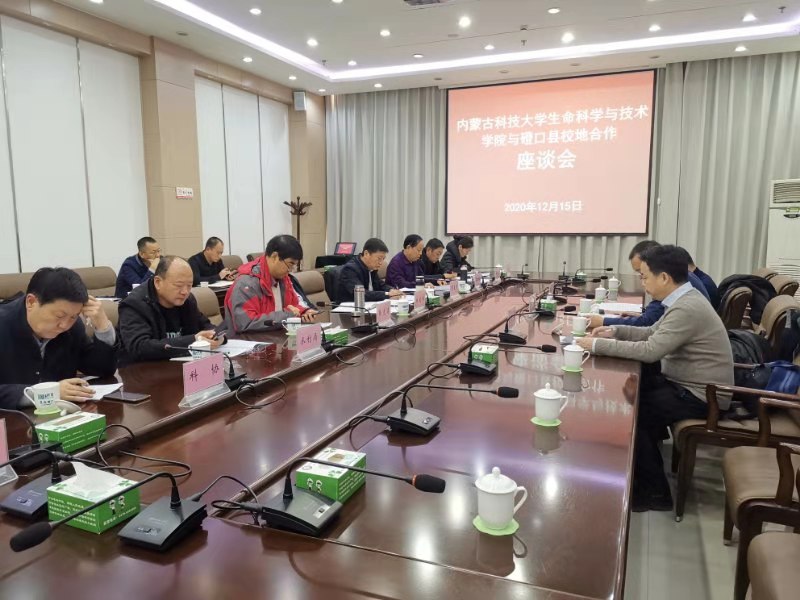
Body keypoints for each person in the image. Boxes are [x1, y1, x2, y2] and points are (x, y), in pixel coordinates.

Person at [576, 245, 733, 512]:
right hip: (690, 385)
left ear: (664, 278)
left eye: (645, 277)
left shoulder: (687, 307)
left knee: (634, 412)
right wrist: (614, 332)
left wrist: (596, 346)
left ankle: (655, 493)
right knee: (637, 399)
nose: (643, 283)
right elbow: (651, 331)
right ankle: (645, 473)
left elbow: (650, 351)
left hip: (703, 395)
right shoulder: (684, 299)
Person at [0, 267, 117, 408]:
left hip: (62, 415)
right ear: (31, 302)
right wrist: (47, 393)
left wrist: (103, 325)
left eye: (74, 316)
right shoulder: (4, 323)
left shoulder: (72, 327)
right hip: (13, 418)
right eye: (59, 316)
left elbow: (102, 369)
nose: (65, 325)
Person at [118, 256, 221, 364]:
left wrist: (217, 336)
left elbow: (206, 326)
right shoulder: (134, 304)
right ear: (158, 282)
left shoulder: (187, 300)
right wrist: (193, 341)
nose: (185, 292)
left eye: (189, 285)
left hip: (181, 366)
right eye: (179, 285)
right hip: (143, 369)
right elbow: (140, 347)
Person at [588, 241, 710, 329]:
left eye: (643, 274)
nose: (642, 281)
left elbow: (648, 324)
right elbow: (655, 318)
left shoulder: (675, 283)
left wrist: (603, 321)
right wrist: (642, 314)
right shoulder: (681, 276)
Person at [224, 235, 318, 332]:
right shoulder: (246, 284)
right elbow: (245, 323)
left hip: (277, 336)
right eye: (290, 264)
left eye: (295, 265)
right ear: (274, 257)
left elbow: (293, 307)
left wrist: (303, 312)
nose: (290, 270)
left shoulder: (283, 278)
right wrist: (287, 315)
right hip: (251, 339)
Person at [337, 238, 403, 302]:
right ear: (366, 254)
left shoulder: (371, 268)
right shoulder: (350, 269)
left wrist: (392, 290)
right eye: (379, 258)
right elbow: (362, 294)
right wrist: (387, 294)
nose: (381, 262)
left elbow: (380, 285)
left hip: (368, 305)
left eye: (383, 259)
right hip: (351, 307)